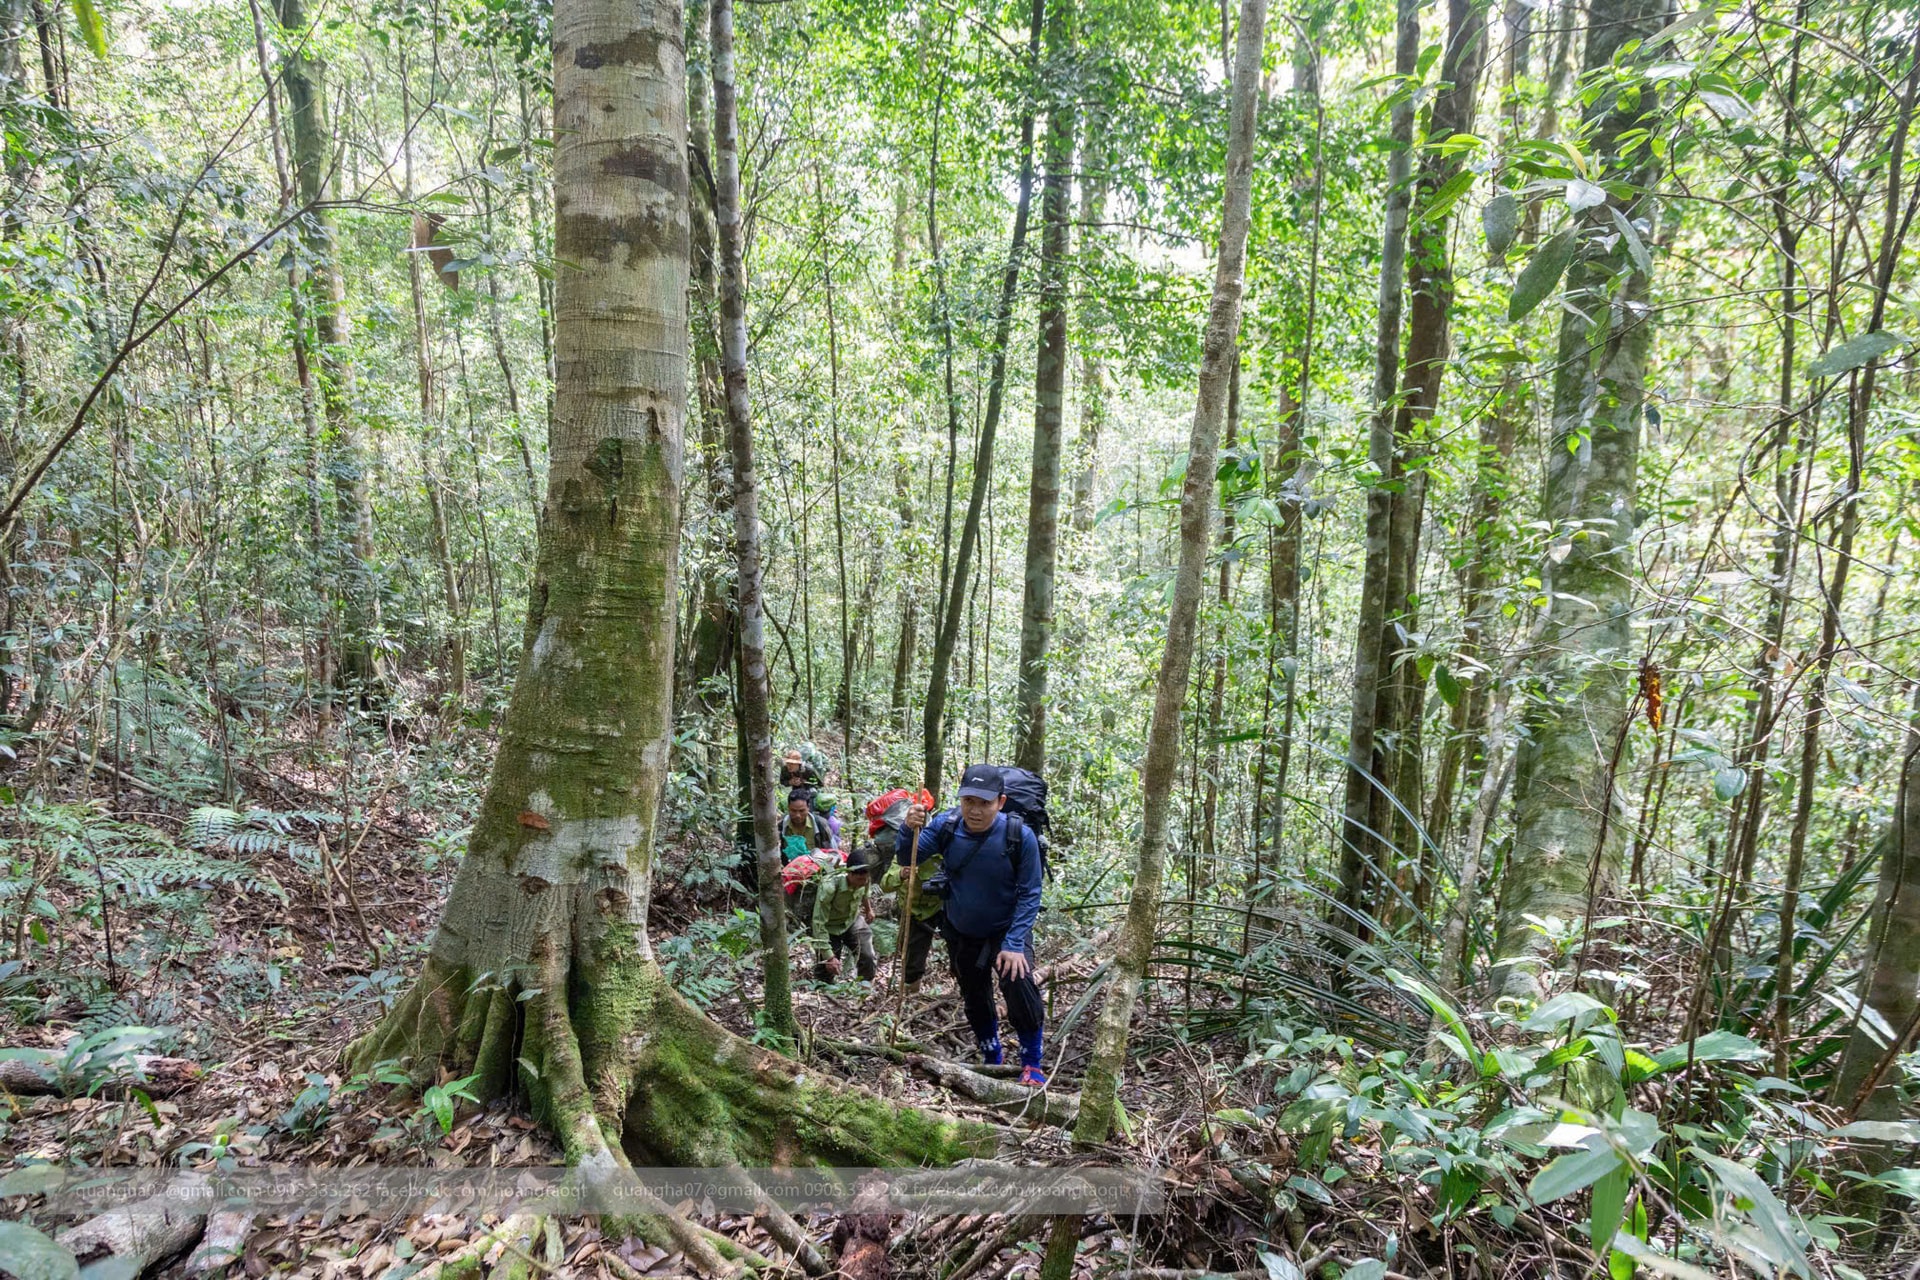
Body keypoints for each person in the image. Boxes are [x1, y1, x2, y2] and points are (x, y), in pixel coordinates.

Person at [903, 764, 1048, 1088]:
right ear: (961, 798)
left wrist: (1013, 944)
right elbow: (907, 856)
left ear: (1000, 801)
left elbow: (1030, 893)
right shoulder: (946, 826)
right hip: (961, 927)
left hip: (1006, 928)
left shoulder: (1018, 836)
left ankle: (1031, 1063)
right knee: (974, 994)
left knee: (1019, 982)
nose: (976, 809)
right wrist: (907, 828)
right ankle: (992, 1056)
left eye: (984, 802)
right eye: (969, 800)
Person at [880, 825, 946, 995]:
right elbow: (885, 884)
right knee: (913, 961)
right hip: (913, 911)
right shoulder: (906, 855)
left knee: (961, 951)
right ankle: (911, 996)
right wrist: (901, 873)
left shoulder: (945, 853)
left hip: (940, 908)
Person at [811, 849, 877, 982]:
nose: (863, 882)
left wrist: (869, 909)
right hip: (829, 927)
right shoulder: (829, 886)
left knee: (867, 956)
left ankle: (864, 989)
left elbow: (864, 893)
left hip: (851, 920)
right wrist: (829, 957)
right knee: (826, 970)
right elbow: (818, 922)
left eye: (865, 879)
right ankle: (824, 995)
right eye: (859, 879)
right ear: (849, 874)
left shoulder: (864, 880)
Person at [778, 788, 836, 865]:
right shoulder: (782, 827)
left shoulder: (820, 824)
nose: (797, 815)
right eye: (793, 811)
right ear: (788, 807)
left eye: (802, 811)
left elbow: (833, 850)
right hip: (791, 873)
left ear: (808, 807)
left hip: (817, 871)